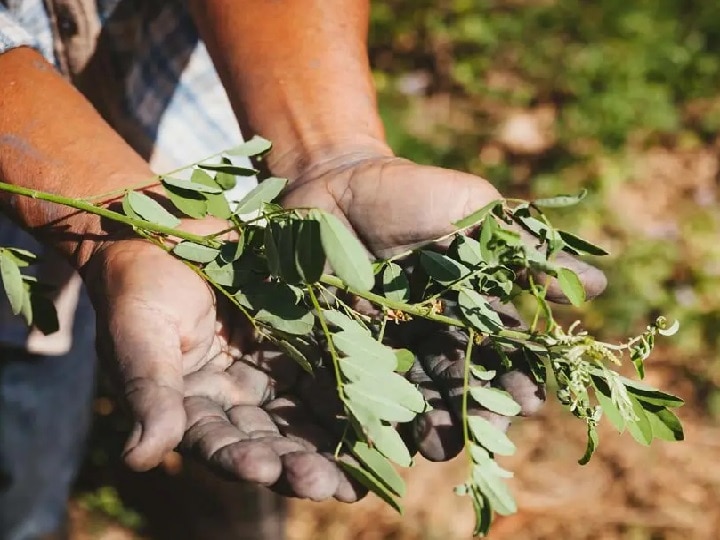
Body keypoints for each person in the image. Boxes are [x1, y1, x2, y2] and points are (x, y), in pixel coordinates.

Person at [0, 1, 607, 539]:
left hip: (206, 106)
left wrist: (329, 153)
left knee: (192, 384)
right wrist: (119, 240)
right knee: (27, 404)